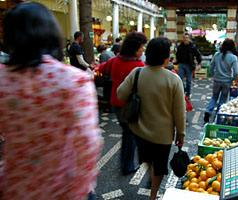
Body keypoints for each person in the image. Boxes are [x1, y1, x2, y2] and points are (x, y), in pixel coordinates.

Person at [0, 2, 103, 200]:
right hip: (60, 188)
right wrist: (81, 187)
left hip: (15, 187)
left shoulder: (3, 79)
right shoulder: (73, 80)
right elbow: (88, 143)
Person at [117, 37, 185, 200]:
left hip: (139, 131)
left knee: (146, 159)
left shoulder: (138, 73)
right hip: (162, 136)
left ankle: (150, 172)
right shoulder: (173, 79)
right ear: (165, 57)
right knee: (159, 168)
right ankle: (153, 196)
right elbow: (179, 113)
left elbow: (120, 94)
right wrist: (180, 135)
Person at [98, 31, 147, 175]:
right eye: (141, 47)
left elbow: (101, 68)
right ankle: (127, 166)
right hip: (131, 106)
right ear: (134, 49)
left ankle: (126, 164)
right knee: (130, 135)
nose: (143, 50)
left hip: (115, 104)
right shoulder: (139, 66)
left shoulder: (114, 60)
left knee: (127, 133)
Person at [204, 39, 238, 123]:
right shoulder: (233, 57)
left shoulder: (217, 55)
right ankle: (217, 116)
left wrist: (213, 74)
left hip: (217, 80)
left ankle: (208, 111)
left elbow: (211, 66)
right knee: (223, 99)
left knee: (214, 97)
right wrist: (233, 78)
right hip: (227, 81)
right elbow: (236, 72)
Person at [176, 33, 202, 98]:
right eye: (184, 37)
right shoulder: (180, 46)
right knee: (179, 78)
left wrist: (199, 62)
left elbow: (198, 54)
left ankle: (188, 93)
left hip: (189, 65)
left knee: (189, 80)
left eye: (187, 38)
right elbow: (177, 54)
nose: (185, 39)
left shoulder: (192, 47)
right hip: (181, 64)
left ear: (189, 38)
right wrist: (177, 61)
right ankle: (184, 88)